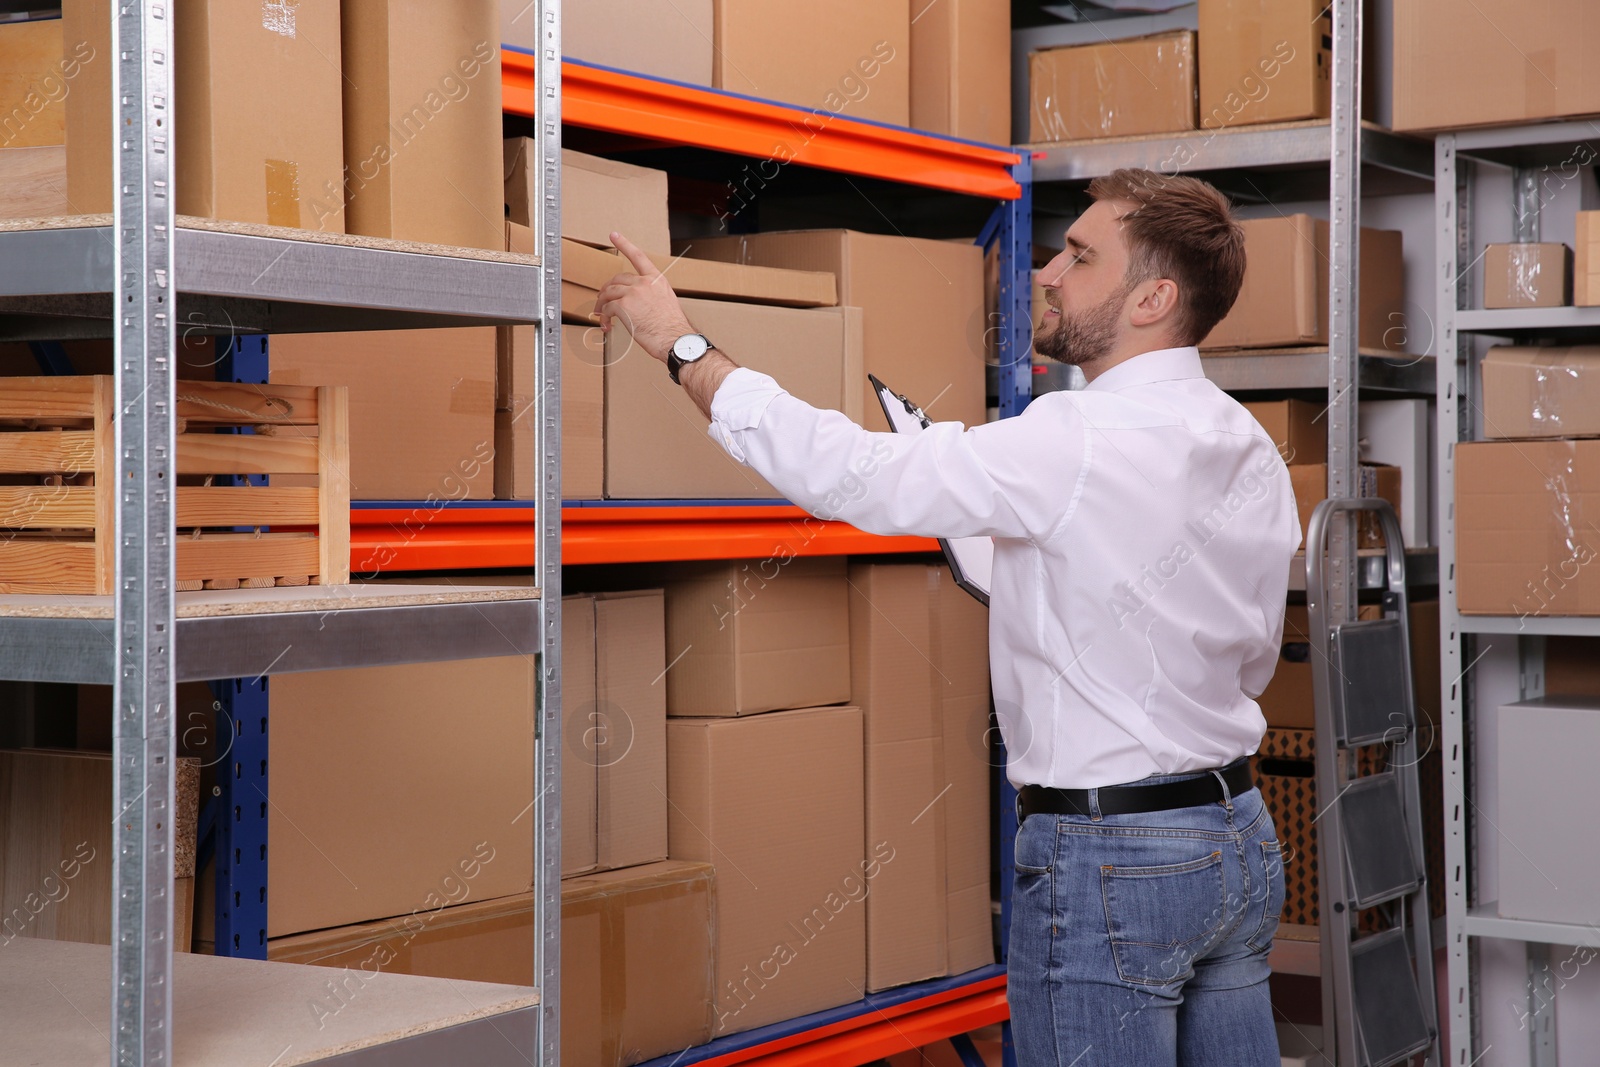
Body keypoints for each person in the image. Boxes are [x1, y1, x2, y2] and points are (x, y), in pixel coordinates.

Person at [595, 167, 1300, 1066]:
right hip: (1234, 836)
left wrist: (684, 347)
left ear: (1154, 298)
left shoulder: (1071, 436)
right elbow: (1179, 621)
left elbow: (846, 473)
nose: (1047, 271)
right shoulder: (1247, 442)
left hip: (1113, 858)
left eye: (1080, 256)